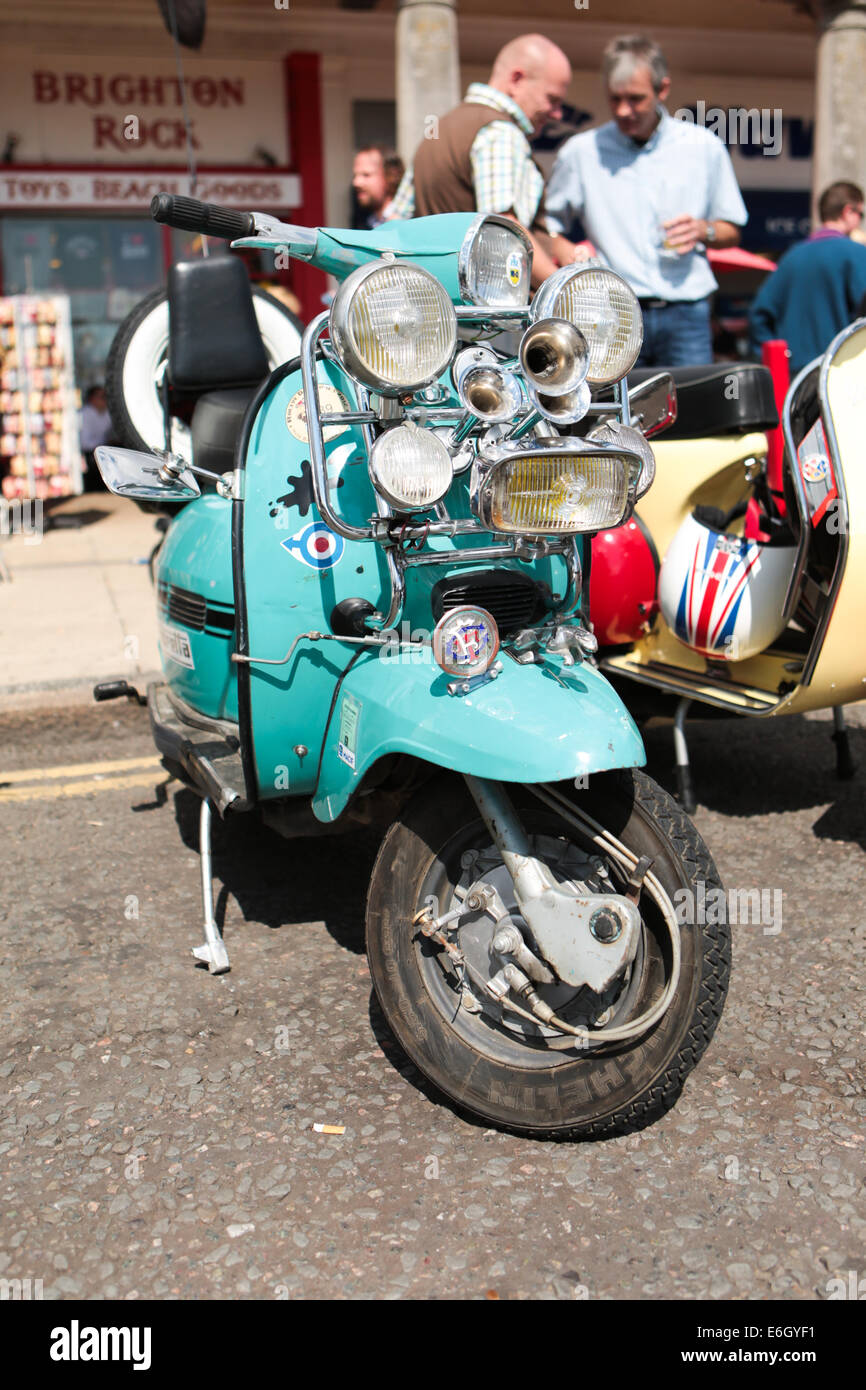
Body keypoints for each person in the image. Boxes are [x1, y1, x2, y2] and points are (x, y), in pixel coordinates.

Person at [545, 34, 747, 365]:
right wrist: (565, 250)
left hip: (687, 311)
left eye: (636, 99)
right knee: (617, 414)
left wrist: (703, 230)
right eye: (615, 99)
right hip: (614, 314)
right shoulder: (580, 153)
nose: (624, 110)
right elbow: (545, 229)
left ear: (662, 89)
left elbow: (732, 230)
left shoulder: (703, 147)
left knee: (691, 414)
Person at [391, 34, 571, 286]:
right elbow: (504, 230)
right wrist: (561, 288)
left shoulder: (439, 130)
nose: (557, 113)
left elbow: (395, 224)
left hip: (440, 306)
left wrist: (557, 246)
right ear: (517, 79)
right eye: (552, 100)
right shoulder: (499, 131)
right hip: (489, 313)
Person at [750, 182, 866, 375]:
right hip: (841, 372)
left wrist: (779, 357)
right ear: (848, 212)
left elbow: (758, 314)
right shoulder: (857, 254)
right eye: (861, 215)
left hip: (795, 375)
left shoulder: (791, 256)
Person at [352, 146, 404, 229]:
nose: (356, 183)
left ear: (390, 176)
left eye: (366, 175)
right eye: (355, 175)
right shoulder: (365, 223)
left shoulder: (406, 221)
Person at [79, 384, 113, 491]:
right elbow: (85, 443)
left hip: (100, 452)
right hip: (88, 456)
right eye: (101, 396)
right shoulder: (84, 414)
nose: (105, 399)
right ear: (92, 399)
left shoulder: (107, 413)